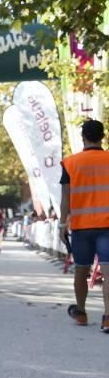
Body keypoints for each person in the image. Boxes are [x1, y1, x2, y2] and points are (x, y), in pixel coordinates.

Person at [60, 119, 109, 331]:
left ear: (83, 137)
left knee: (81, 270)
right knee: (108, 271)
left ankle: (81, 312)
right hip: (107, 226)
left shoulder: (70, 163)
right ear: (102, 137)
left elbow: (65, 197)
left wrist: (63, 223)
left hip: (81, 227)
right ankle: (107, 317)